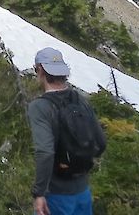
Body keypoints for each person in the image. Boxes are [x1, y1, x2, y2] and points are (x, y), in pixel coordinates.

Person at [27, 47, 105, 215]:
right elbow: (101, 142)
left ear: (41, 70)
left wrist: (39, 193)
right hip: (82, 191)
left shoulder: (40, 107)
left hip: (56, 195)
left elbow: (45, 152)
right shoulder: (80, 100)